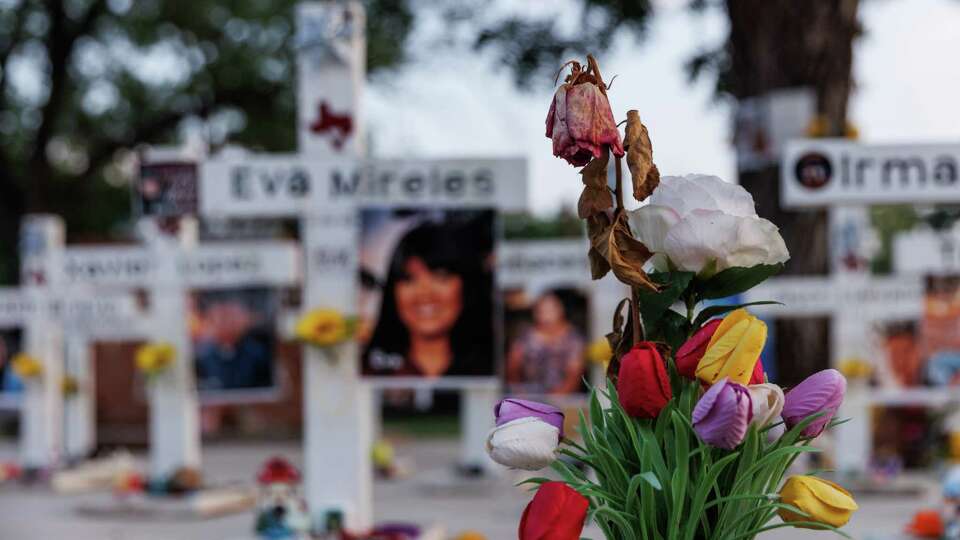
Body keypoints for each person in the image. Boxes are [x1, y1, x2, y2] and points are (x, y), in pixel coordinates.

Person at [362, 215, 494, 378]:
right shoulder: (369, 370)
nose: (424, 293)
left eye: (440, 276)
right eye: (408, 278)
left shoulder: (492, 368)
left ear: (466, 285)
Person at [506, 291, 586, 395]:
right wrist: (519, 392)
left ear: (560, 309)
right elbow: (512, 366)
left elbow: (575, 373)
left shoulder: (574, 338)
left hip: (565, 399)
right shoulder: (525, 336)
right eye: (541, 310)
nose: (546, 315)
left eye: (550, 310)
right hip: (530, 396)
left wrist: (558, 397)